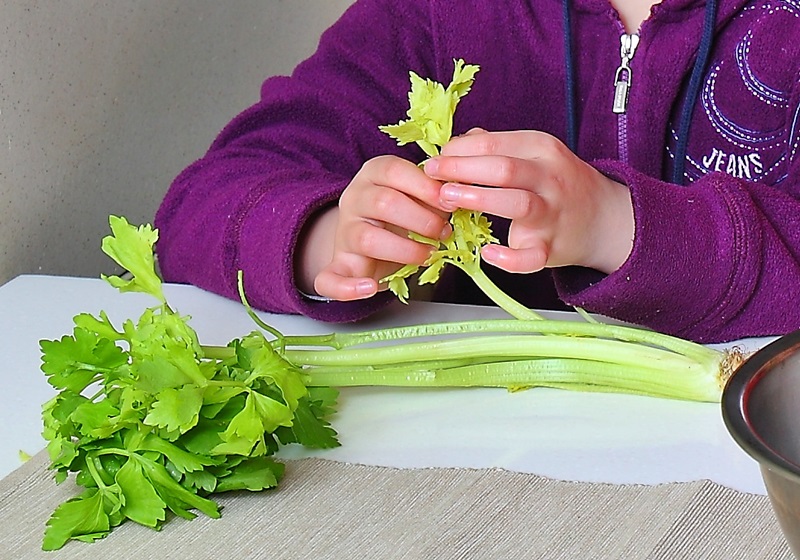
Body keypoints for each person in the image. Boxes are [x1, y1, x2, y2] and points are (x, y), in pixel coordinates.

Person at [154, 0, 800, 344]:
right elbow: (197, 208)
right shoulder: (432, 12)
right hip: (496, 448)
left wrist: (616, 225)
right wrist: (327, 237)